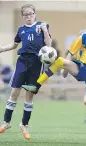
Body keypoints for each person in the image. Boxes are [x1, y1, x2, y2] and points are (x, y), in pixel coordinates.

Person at [22, 12, 86, 144]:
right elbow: (70, 52)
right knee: (60, 60)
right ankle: (36, 86)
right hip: (82, 68)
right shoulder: (84, 37)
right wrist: (65, 69)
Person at [0, 4, 51, 140]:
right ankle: (6, 122)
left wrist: (45, 30)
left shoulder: (41, 26)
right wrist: (2, 49)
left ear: (35, 14)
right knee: (14, 92)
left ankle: (24, 124)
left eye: (31, 14)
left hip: (36, 63)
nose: (29, 16)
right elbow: (14, 44)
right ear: (23, 17)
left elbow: (48, 44)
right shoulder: (21, 29)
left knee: (29, 95)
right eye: (26, 14)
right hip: (22, 61)